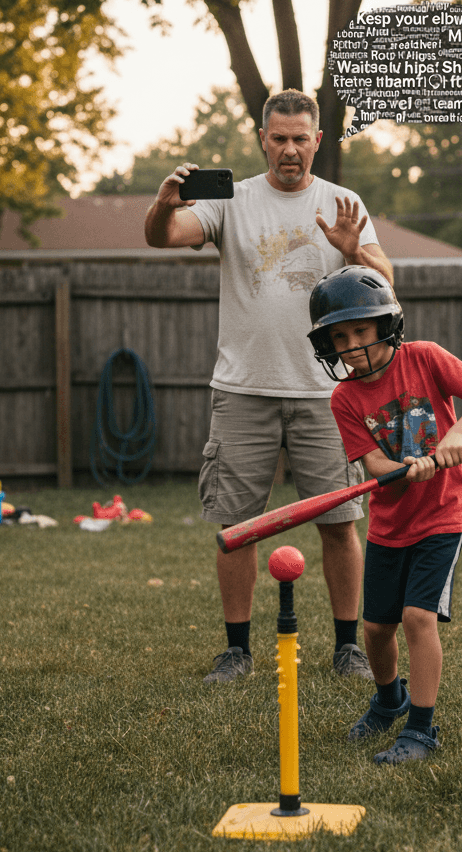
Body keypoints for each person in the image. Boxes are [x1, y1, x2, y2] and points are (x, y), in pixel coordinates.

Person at [144, 89, 393, 683]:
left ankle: (346, 648)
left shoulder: (342, 202)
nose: (288, 149)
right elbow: (163, 237)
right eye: (277, 138)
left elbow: (387, 282)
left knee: (341, 523)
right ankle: (235, 651)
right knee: (237, 525)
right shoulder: (232, 200)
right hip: (243, 389)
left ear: (317, 141)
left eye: (299, 139)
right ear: (262, 140)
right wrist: (162, 203)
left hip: (327, 392)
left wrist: (354, 251)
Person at [307, 265, 462, 764]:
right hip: (389, 525)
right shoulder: (345, 397)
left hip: (443, 514)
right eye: (340, 337)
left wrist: (456, 434)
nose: (352, 346)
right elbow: (372, 463)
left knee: (419, 617)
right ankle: (389, 699)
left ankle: (420, 729)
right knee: (375, 629)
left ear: (385, 325)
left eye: (361, 331)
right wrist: (402, 469)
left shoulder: (425, 358)